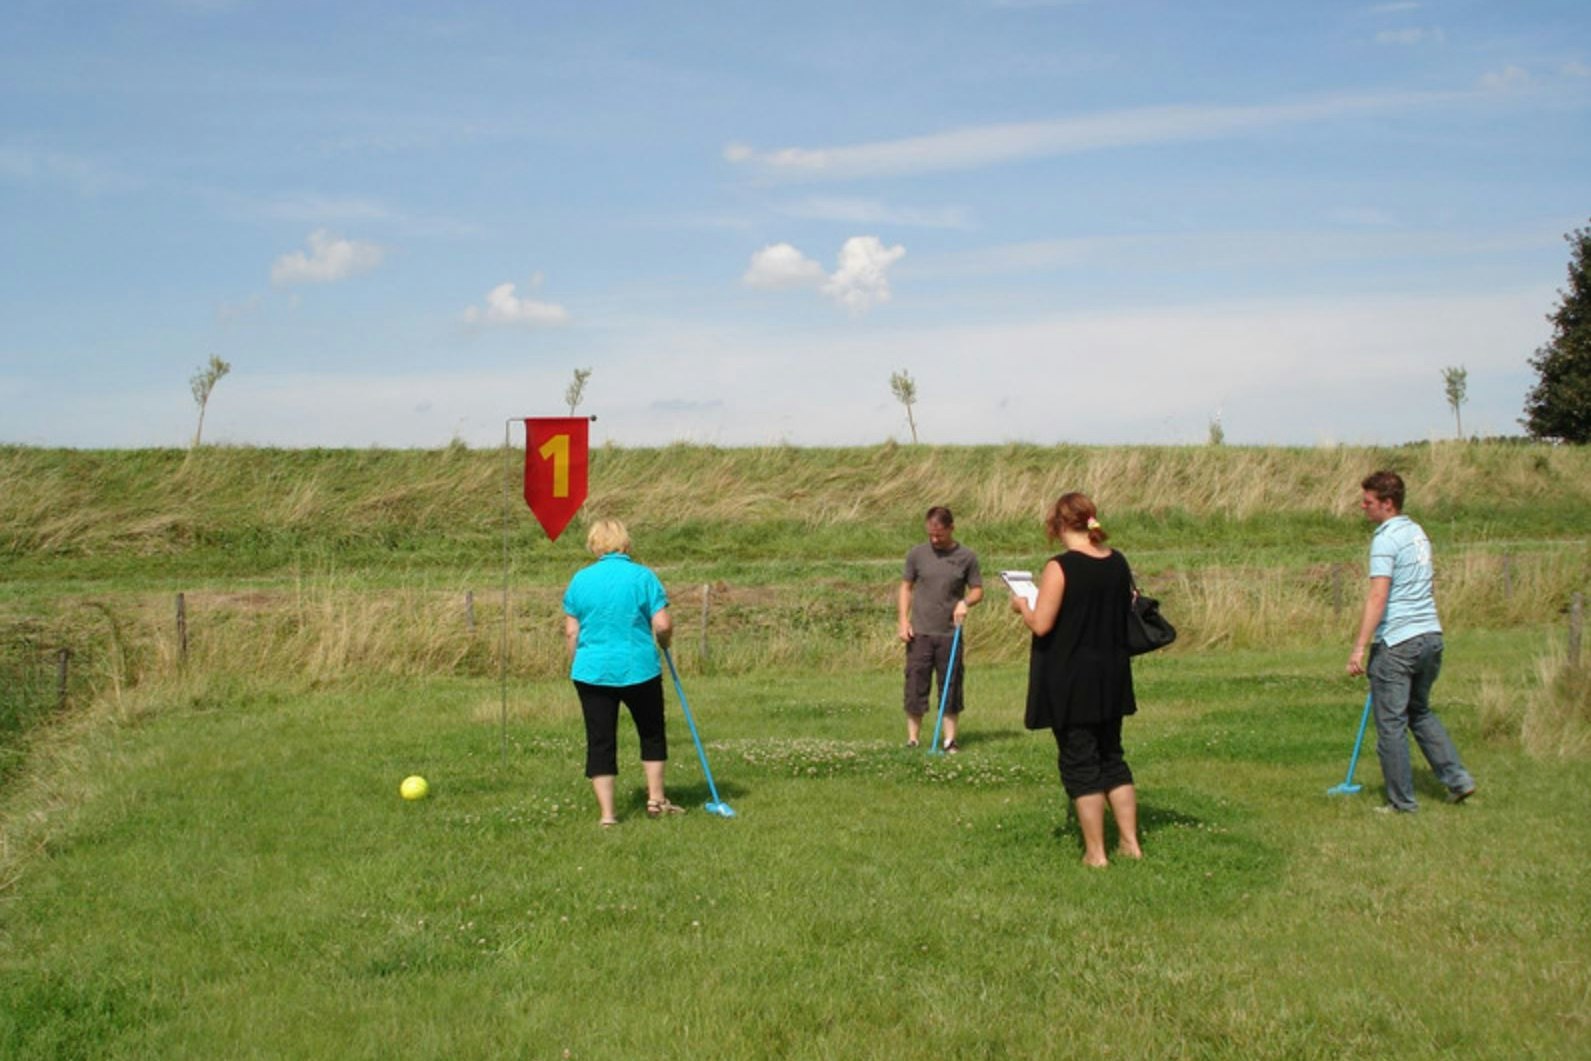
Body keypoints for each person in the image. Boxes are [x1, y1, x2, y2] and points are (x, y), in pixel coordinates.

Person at [1010, 493, 1142, 868]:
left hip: (1073, 679)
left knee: (1080, 762)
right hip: (1111, 675)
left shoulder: (1059, 567)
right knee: (1112, 757)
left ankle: (1096, 853)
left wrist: (1022, 605)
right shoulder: (1117, 561)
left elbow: (1041, 623)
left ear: (1057, 524)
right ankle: (1130, 844)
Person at [1346, 471, 1476, 813]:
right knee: (1419, 711)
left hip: (1398, 643)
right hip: (1431, 638)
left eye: (1368, 501)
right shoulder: (1418, 533)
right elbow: (1427, 587)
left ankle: (1402, 802)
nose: (1363, 506)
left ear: (1387, 504)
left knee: (1391, 724)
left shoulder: (1385, 538)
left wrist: (1360, 646)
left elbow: (1378, 595)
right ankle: (1458, 780)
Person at [562, 518, 685, 826]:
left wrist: (576, 664)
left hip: (592, 671)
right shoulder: (643, 577)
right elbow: (663, 624)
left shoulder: (580, 580)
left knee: (600, 739)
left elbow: (571, 633)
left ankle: (608, 815)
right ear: (625, 542)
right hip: (640, 667)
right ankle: (656, 800)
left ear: (594, 545)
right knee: (651, 732)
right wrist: (664, 642)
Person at [898, 506, 983, 751]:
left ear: (951, 529)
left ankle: (949, 740)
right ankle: (913, 740)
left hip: (949, 633)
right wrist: (904, 620)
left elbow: (978, 590)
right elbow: (906, 587)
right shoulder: (917, 554)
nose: (935, 540)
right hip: (920, 633)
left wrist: (964, 602)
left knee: (951, 685)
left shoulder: (967, 557)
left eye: (940, 535)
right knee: (915, 684)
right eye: (931, 535)